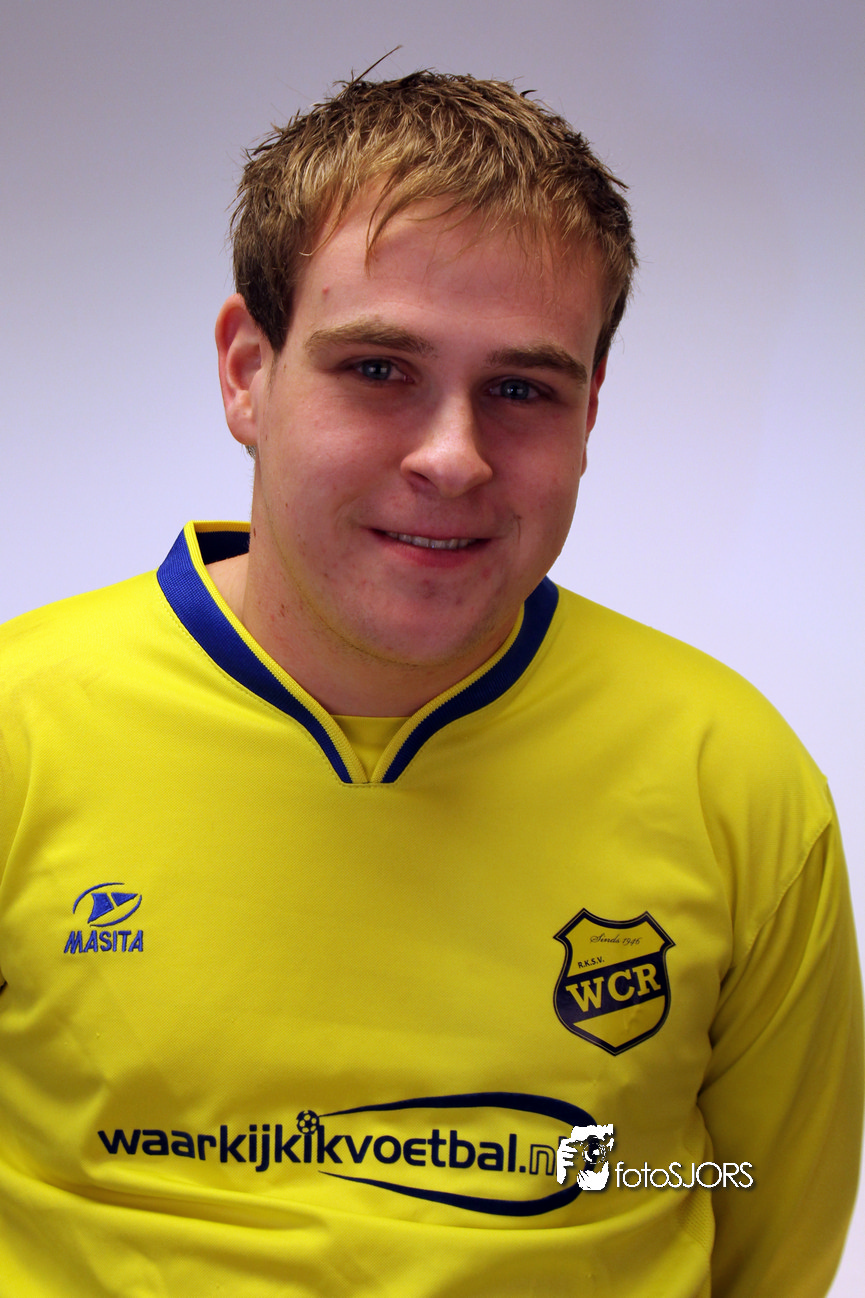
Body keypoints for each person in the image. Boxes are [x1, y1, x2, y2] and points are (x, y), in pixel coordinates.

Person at [0, 70, 861, 1298]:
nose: (453, 458)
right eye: (378, 368)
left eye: (520, 389)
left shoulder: (732, 774)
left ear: (588, 414)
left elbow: (773, 1245)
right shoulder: (21, 726)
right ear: (248, 371)